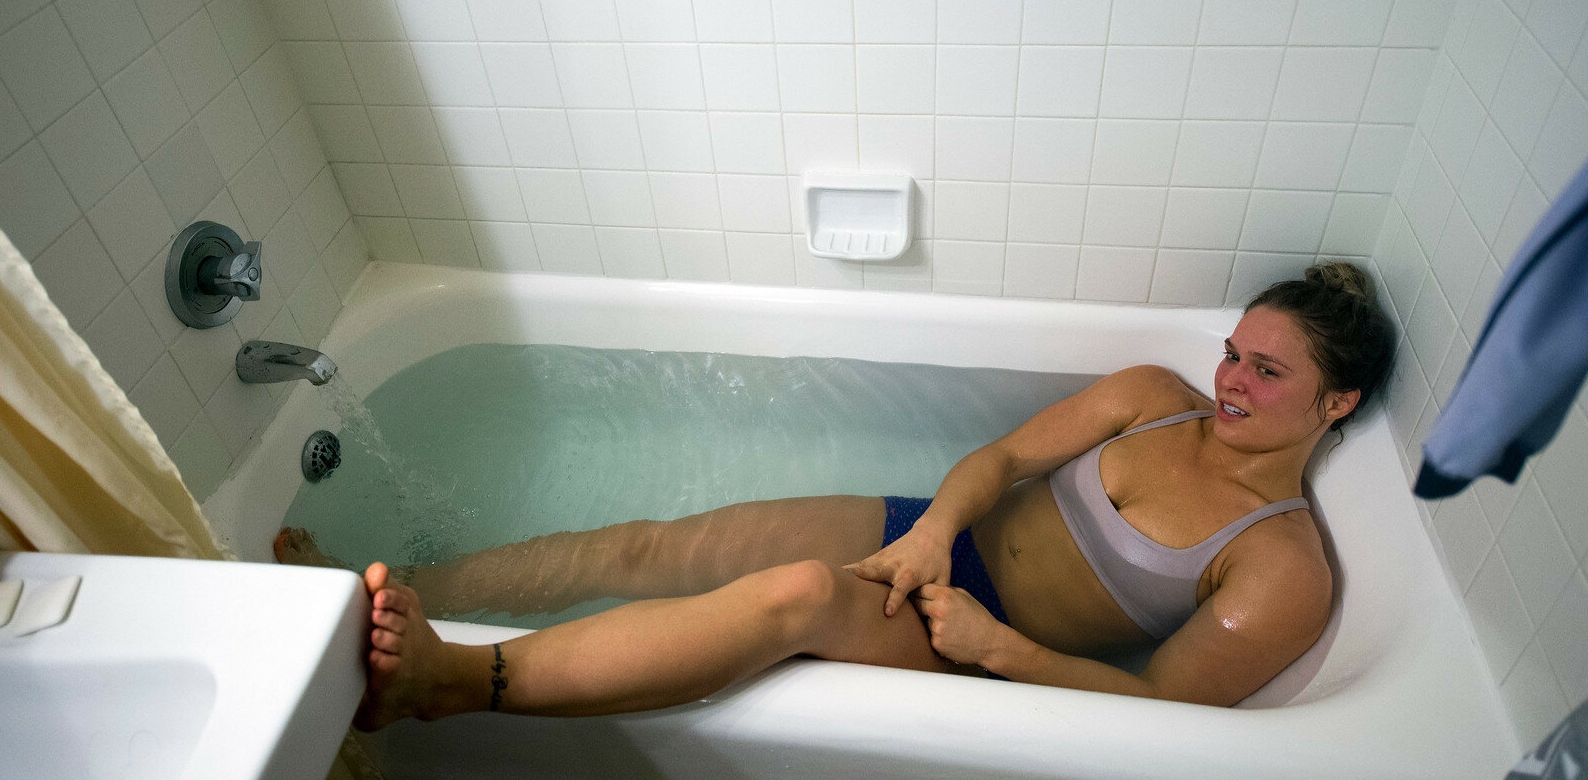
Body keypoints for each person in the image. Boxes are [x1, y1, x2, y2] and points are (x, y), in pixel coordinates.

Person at [276, 261, 1394, 730]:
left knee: (796, 597)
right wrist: (936, 528)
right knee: (656, 546)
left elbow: (1158, 710)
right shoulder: (1152, 397)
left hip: (982, 640)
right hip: (929, 539)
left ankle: (458, 679)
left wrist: (1002, 650)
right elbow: (1000, 460)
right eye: (1233, 352)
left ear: (1336, 401)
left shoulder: (1277, 567)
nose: (1230, 382)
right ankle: (397, 589)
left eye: (1267, 372)